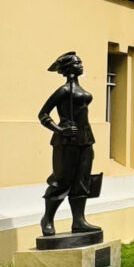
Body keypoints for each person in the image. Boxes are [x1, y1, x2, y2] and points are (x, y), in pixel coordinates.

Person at [37, 51, 99, 237]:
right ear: (68, 68)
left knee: (82, 180)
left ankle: (79, 221)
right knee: (62, 180)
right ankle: (47, 219)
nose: (81, 65)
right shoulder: (64, 91)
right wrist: (60, 130)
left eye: (80, 62)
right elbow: (43, 114)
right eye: (77, 63)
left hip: (86, 139)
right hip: (67, 141)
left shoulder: (80, 90)